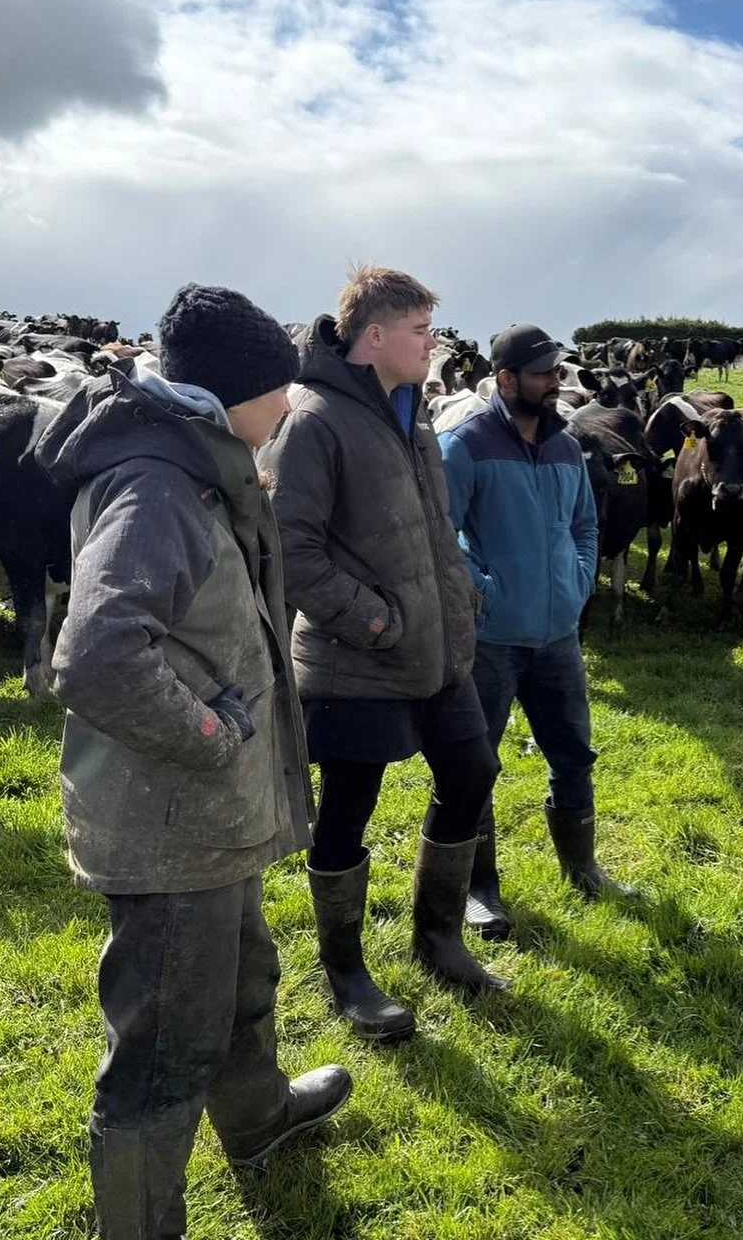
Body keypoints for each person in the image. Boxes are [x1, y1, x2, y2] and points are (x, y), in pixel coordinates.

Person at [38, 284, 350, 1239]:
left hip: (208, 815)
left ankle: (255, 1118)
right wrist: (211, 737)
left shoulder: (202, 468)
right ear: (233, 392)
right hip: (170, 817)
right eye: (282, 389)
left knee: (242, 977)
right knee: (163, 1051)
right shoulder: (159, 486)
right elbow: (95, 656)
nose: (293, 405)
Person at [258, 264, 504, 1046]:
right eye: (420, 330)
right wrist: (372, 620)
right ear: (375, 337)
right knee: (347, 814)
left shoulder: (415, 414)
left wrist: (456, 593)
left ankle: (437, 936)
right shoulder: (315, 421)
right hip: (355, 658)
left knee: (473, 772)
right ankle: (347, 972)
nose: (433, 344)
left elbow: (434, 528)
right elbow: (290, 551)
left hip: (438, 648)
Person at [437, 323, 635, 942]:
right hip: (492, 639)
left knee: (573, 752)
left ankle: (582, 868)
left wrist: (578, 579)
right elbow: (444, 538)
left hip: (557, 637)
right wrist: (486, 590)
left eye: (556, 371)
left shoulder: (567, 447)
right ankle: (479, 889)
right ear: (505, 379)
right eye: (543, 372)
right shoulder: (463, 446)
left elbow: (584, 523)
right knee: (478, 763)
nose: (555, 381)